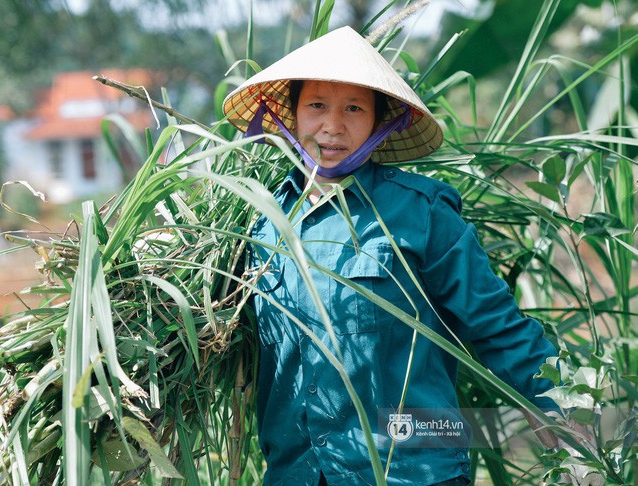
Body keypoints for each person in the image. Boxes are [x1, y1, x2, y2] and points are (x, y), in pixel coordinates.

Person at [223, 26, 559, 486]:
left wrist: (557, 407)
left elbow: (497, 325)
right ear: (291, 114)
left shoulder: (421, 213)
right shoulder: (261, 224)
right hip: (297, 471)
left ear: (381, 122)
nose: (333, 126)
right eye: (317, 105)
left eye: (354, 108)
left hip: (413, 470)